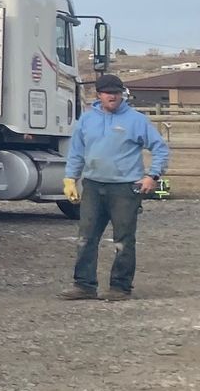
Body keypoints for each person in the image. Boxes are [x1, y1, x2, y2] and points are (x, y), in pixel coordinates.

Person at [61, 73, 169, 301]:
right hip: (93, 186)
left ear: (122, 94)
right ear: (99, 94)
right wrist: (70, 178)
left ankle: (120, 287)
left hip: (125, 189)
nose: (113, 96)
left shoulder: (136, 120)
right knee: (86, 238)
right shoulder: (87, 120)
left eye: (117, 92)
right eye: (108, 92)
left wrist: (153, 176)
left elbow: (160, 148)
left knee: (123, 239)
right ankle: (84, 285)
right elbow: (77, 151)